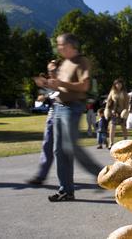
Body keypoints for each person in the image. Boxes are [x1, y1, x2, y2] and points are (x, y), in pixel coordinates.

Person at [39, 33, 102, 202]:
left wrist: (60, 84)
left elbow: (84, 85)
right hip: (59, 107)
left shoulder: (82, 61)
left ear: (71, 46)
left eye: (61, 45)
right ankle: (66, 190)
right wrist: (47, 84)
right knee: (59, 150)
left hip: (72, 107)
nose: (58, 48)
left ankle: (101, 175)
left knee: (70, 147)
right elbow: (60, 85)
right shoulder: (64, 63)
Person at [27, 60, 59, 185]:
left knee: (62, 150)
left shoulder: (64, 81)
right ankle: (41, 176)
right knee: (47, 146)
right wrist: (43, 97)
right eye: (49, 70)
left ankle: (66, 177)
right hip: (51, 117)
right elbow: (42, 97)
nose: (51, 72)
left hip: (64, 118)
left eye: (53, 70)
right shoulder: (49, 84)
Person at [105, 78, 129, 149]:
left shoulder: (124, 93)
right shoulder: (112, 91)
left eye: (120, 83)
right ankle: (111, 143)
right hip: (114, 112)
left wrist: (126, 110)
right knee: (112, 127)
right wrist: (107, 109)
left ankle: (126, 141)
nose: (118, 85)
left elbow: (127, 103)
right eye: (117, 84)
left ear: (122, 84)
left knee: (123, 127)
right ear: (115, 85)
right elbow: (108, 101)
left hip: (122, 112)